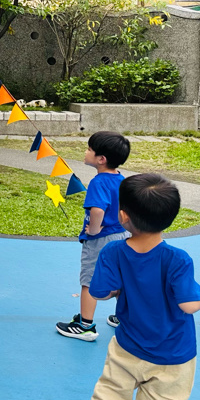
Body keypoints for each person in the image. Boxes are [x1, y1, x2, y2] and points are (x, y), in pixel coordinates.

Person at [44, 174, 200, 400]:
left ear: (122, 216)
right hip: (174, 357)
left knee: (108, 397)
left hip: (128, 347)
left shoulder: (114, 252)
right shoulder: (177, 259)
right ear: (171, 217)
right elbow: (189, 304)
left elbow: (101, 292)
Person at [56, 131, 131, 340]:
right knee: (122, 278)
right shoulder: (121, 179)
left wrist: (95, 230)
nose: (85, 151)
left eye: (89, 149)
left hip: (101, 238)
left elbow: (98, 210)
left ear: (101, 159)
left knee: (89, 280)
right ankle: (126, 318)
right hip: (122, 235)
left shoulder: (99, 182)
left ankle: (85, 325)